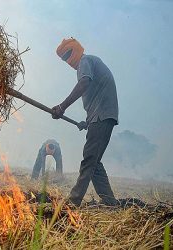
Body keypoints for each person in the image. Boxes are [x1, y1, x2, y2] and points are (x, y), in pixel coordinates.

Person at [52, 38, 119, 206]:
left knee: (89, 159)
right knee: (94, 162)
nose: (67, 60)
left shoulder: (85, 61)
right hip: (99, 117)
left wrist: (62, 106)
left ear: (76, 49)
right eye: (64, 58)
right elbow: (97, 96)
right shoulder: (90, 62)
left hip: (102, 117)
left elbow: (84, 82)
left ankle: (73, 202)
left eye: (68, 54)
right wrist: (87, 122)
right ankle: (111, 203)